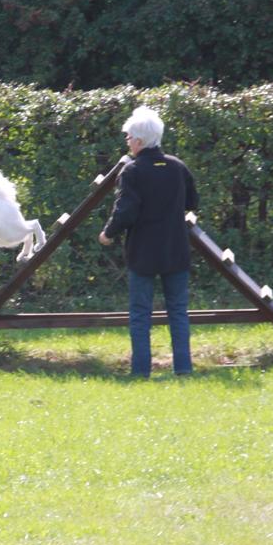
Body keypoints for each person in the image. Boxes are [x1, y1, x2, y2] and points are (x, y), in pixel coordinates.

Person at [99, 106, 199, 378]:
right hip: (175, 249)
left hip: (143, 252)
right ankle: (183, 368)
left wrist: (108, 233)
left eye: (129, 136)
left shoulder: (132, 171)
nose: (127, 141)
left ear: (140, 141)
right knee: (178, 311)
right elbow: (193, 202)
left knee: (140, 314)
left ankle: (141, 371)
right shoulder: (178, 167)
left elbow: (125, 210)